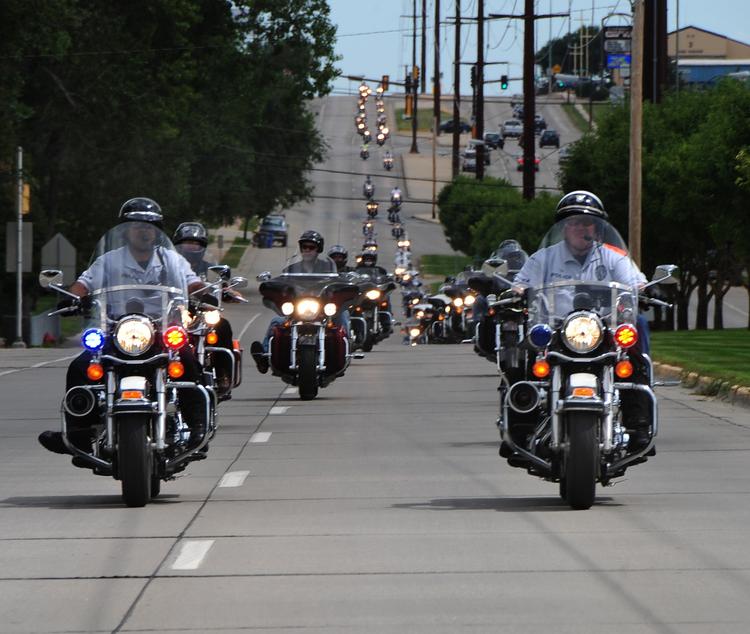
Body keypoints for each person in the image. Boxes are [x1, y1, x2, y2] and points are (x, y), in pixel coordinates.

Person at [38, 198, 209, 463]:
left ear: (157, 231)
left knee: (187, 360)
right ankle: (79, 436)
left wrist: (205, 295)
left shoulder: (172, 260)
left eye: (150, 226)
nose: (144, 231)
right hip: (115, 331)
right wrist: (72, 297)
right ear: (126, 230)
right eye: (137, 225)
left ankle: (197, 430)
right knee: (81, 366)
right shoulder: (109, 261)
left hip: (161, 332)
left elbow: (192, 283)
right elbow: (83, 284)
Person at [514, 190, 653, 451]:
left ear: (597, 228)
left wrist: (645, 290)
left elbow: (636, 283)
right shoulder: (543, 257)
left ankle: (639, 420)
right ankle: (522, 422)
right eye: (574, 222)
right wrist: (518, 293)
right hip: (557, 329)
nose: (580, 228)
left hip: (602, 329)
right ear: (564, 227)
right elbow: (520, 284)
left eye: (586, 222)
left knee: (637, 328)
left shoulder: (614, 256)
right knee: (525, 352)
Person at [173, 221, 243, 396]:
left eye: (195, 244)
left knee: (223, 327)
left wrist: (228, 292)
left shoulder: (210, 269)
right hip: (175, 313)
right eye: (186, 244)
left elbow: (221, 286)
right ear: (178, 246)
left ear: (202, 247)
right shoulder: (169, 267)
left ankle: (222, 374)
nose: (191, 248)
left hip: (202, 314)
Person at [250, 231, 336, 373]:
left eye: (311, 247)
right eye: (304, 247)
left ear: (318, 249)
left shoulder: (327, 268)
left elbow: (335, 283)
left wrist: (340, 285)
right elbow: (282, 282)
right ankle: (264, 356)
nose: (307, 250)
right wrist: (272, 284)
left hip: (321, 310)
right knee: (276, 322)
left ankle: (347, 350)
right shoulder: (291, 269)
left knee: (342, 320)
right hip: (298, 309)